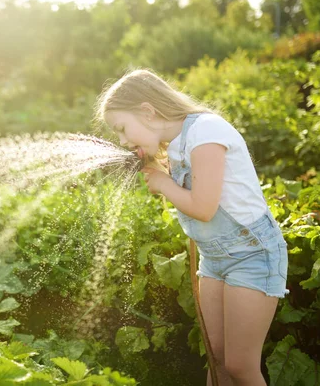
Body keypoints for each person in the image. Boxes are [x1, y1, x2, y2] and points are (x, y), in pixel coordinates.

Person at [95, 69, 289, 386]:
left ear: (147, 111)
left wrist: (163, 183)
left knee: (240, 366)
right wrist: (161, 175)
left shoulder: (206, 132)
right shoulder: (176, 145)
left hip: (252, 255)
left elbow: (203, 206)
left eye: (122, 128)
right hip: (216, 260)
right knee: (216, 360)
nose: (122, 140)